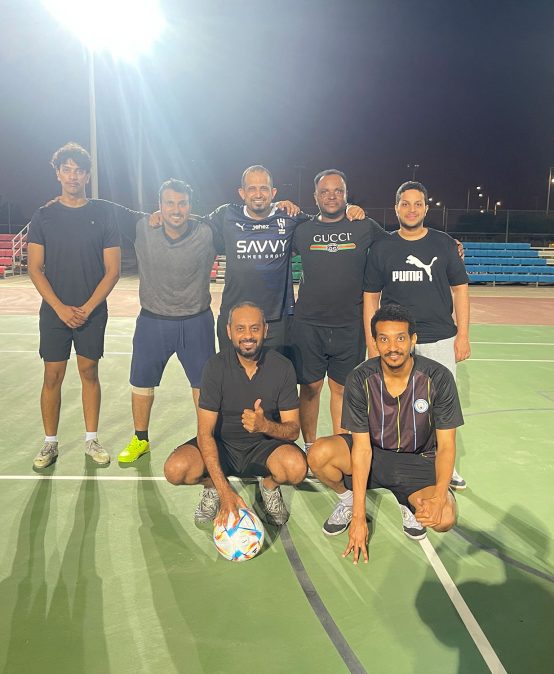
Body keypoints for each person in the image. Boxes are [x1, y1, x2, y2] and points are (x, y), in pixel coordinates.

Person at [308, 304, 462, 557]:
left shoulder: (438, 378)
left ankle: (408, 503)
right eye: (384, 339)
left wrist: (438, 498)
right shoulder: (360, 379)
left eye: (400, 338)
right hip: (374, 454)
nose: (393, 347)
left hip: (418, 460)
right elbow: (361, 448)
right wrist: (359, 516)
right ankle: (347, 500)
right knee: (319, 454)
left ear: (413, 339)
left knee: (444, 517)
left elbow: (446, 446)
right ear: (375, 342)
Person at [27, 142, 141, 469]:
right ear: (58, 173)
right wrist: (60, 307)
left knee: (89, 372)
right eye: (67, 169)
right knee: (53, 375)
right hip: (54, 312)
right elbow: (35, 268)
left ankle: (91, 439)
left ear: (87, 175)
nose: (73, 176)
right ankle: (50, 444)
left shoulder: (103, 214)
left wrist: (87, 308)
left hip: (92, 311)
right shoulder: (44, 216)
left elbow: (113, 270)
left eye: (79, 170)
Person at [363, 180, 470, 496]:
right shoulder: (382, 248)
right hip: (395, 342)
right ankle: (396, 462)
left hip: (438, 339)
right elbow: (371, 296)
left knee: (441, 406)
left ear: (426, 207)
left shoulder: (445, 244)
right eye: (405, 203)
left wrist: (462, 334)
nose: (411, 209)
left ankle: (444, 464)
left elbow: (460, 290)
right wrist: (373, 342)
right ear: (396, 208)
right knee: (394, 404)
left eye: (418, 203)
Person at [164, 302, 307, 527]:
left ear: (265, 330)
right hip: (223, 445)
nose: (247, 336)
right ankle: (212, 487)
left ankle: (269, 487)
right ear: (229, 331)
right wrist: (225, 492)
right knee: (175, 470)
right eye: (240, 329)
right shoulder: (214, 367)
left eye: (254, 328)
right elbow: (204, 433)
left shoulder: (283, 367)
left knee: (296, 468)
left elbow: (293, 430)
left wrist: (265, 426)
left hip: (265, 447)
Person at [207, 165, 364, 353]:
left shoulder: (289, 216)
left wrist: (348, 209)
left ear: (273, 192)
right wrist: (161, 216)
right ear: (242, 193)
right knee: (232, 378)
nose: (258, 194)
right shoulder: (226, 215)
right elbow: (191, 224)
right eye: (252, 188)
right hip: (235, 318)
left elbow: (324, 223)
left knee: (278, 378)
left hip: (277, 321)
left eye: (264, 188)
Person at [117, 179, 217, 463]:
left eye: (182, 203)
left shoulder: (208, 232)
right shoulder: (142, 228)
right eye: (170, 203)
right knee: (141, 381)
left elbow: (240, 216)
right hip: (153, 320)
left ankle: (206, 440)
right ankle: (141, 439)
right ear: (159, 206)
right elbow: (102, 209)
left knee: (203, 386)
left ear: (190, 206)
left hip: (196, 321)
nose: (176, 209)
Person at [290, 169, 388, 451]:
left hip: (350, 325)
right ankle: (309, 447)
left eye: (338, 191)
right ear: (315, 197)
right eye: (325, 191)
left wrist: (446, 244)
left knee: (342, 390)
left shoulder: (364, 226)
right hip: (308, 324)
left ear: (346, 195)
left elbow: (398, 245)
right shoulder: (302, 230)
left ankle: (337, 449)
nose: (331, 196)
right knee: (309, 389)